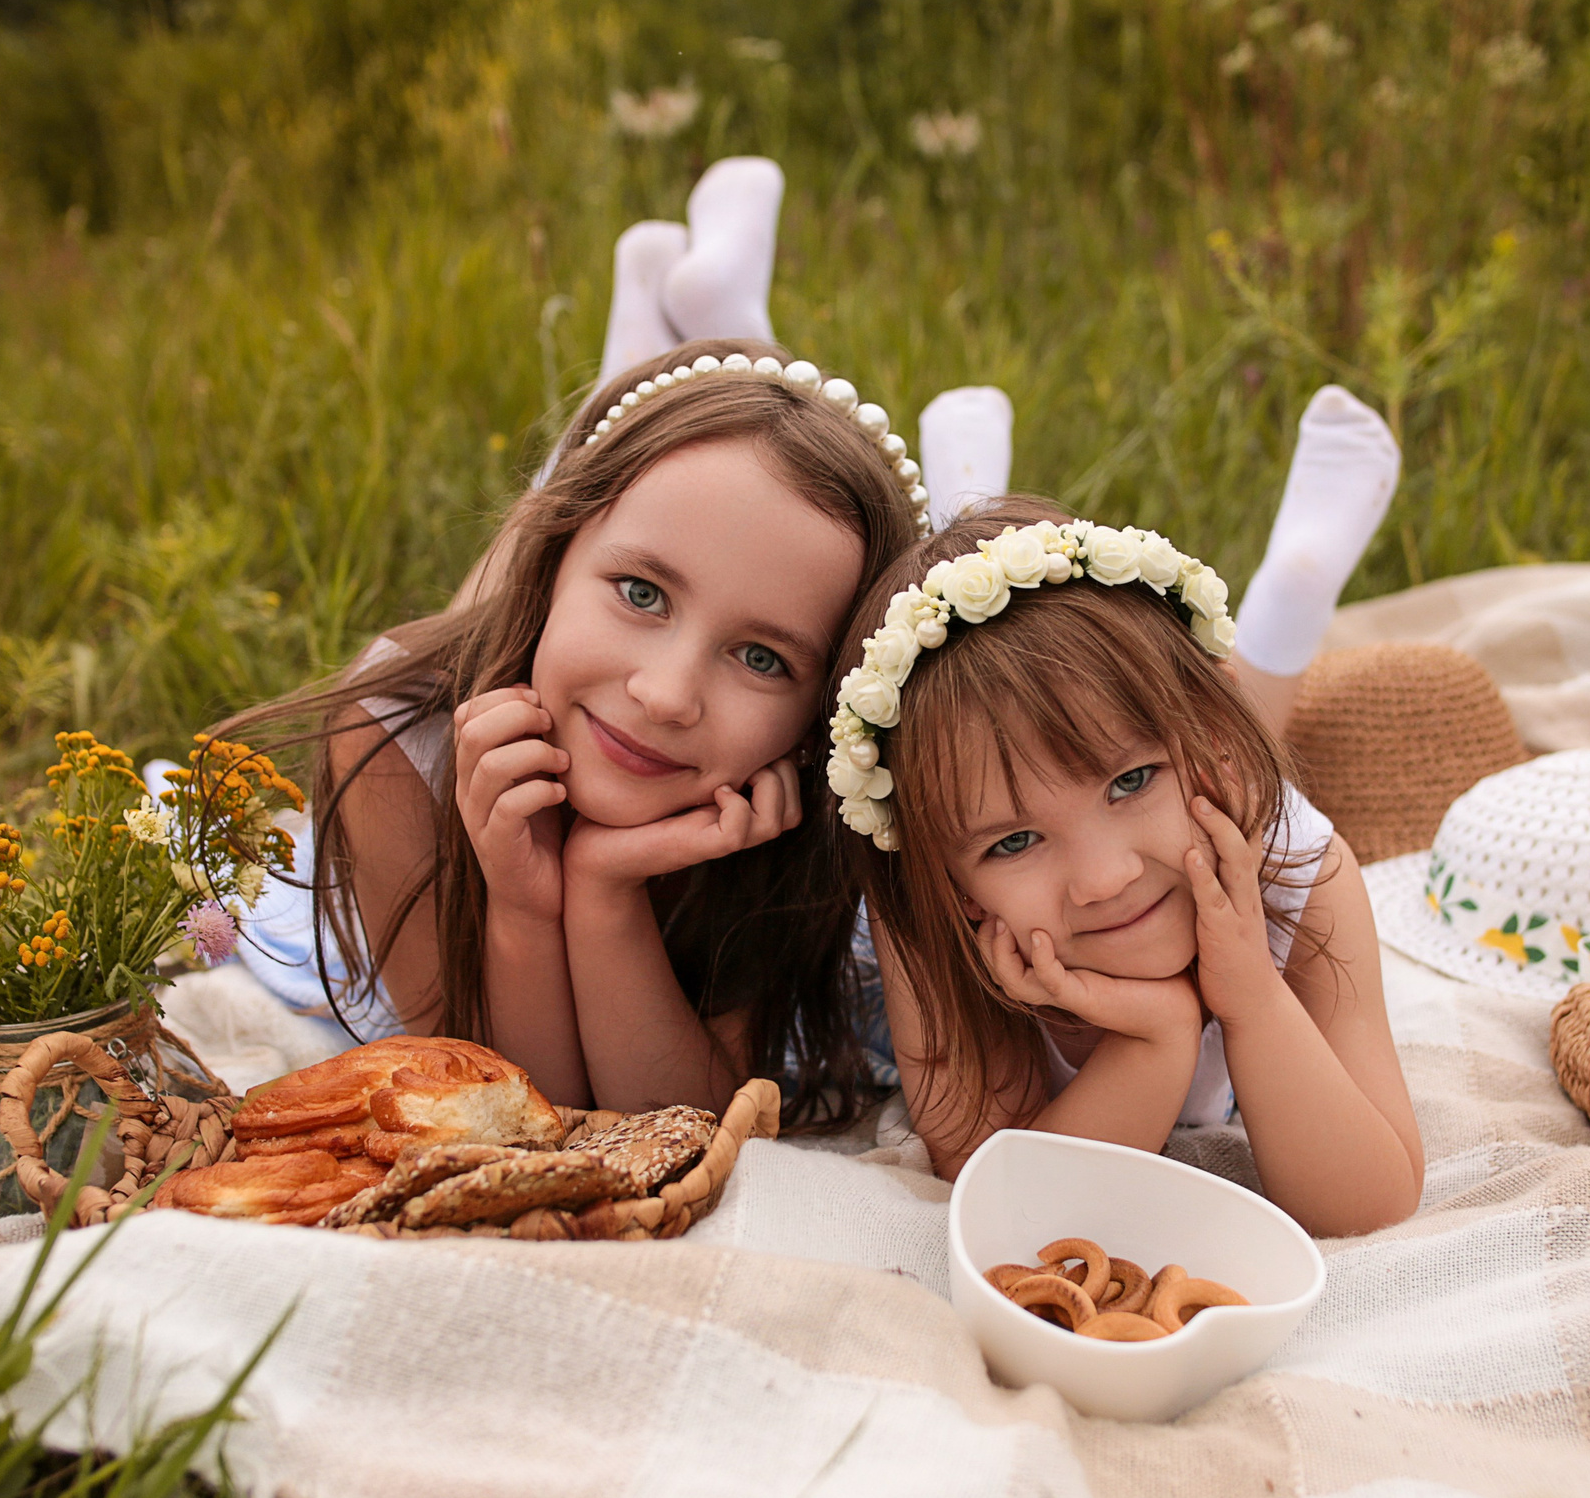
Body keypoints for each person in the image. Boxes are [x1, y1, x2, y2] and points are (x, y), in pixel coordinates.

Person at [234, 338, 927, 1125]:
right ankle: (635, 341)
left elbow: (669, 1117)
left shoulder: (808, 814)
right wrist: (523, 906)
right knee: (515, 605)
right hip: (494, 646)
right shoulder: (390, 737)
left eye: (762, 657)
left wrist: (603, 890)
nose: (666, 696)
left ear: (818, 719)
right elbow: (510, 1108)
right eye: (642, 592)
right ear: (554, 556)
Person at [831, 497, 1423, 1237]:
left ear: (1213, 745)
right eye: (1012, 842)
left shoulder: (1301, 870)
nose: (1105, 877)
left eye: (1131, 780)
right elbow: (1017, 1207)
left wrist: (1253, 1000)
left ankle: (1283, 617)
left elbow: (1373, 1202)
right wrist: (1159, 1034)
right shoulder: (928, 920)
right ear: (954, 884)